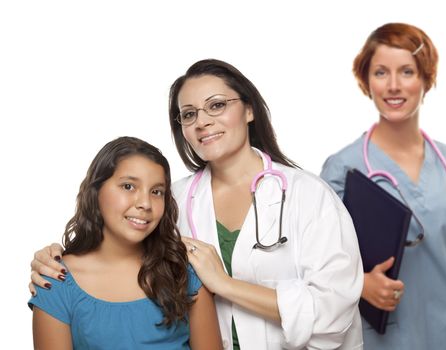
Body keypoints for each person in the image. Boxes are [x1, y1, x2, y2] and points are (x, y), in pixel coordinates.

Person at [29, 60, 364, 349]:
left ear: (249, 110)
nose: (202, 121)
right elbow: (113, 251)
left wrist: (225, 285)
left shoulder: (309, 196)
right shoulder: (167, 201)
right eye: (189, 114)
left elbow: (333, 313)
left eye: (216, 105)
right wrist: (54, 256)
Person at [320, 23, 446, 349]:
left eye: (407, 72)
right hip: (384, 339)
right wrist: (360, 285)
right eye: (381, 72)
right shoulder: (342, 169)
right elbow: (319, 264)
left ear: (427, 79)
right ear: (366, 81)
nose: (393, 86)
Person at [28, 136, 222, 350]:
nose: (145, 203)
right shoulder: (57, 280)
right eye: (128, 186)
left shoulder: (183, 272)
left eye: (156, 192)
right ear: (96, 191)